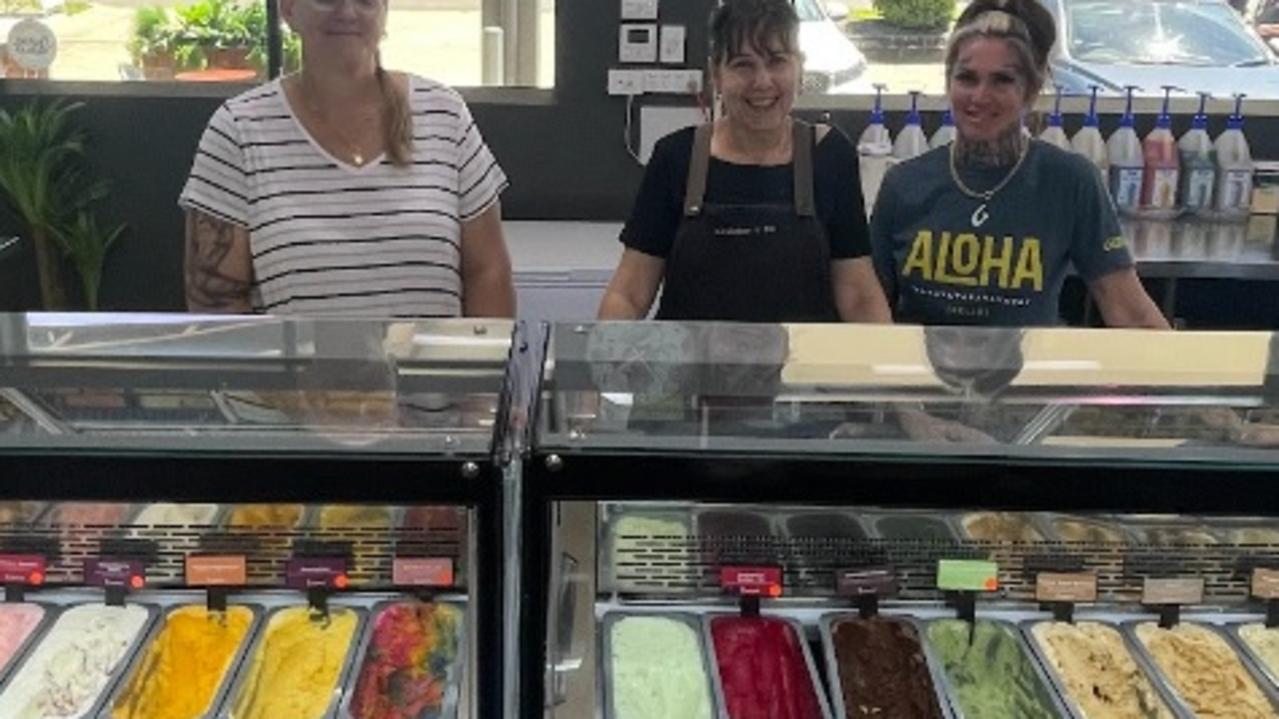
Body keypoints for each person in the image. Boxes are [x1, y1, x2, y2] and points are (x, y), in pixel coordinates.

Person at [179, 0, 515, 318]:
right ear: (289, 9)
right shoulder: (237, 131)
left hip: (431, 378)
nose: (347, 12)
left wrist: (484, 372)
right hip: (295, 380)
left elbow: (488, 272)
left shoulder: (445, 114)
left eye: (366, 0)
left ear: (384, 13)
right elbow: (216, 302)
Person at [870, 0, 1168, 330]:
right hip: (922, 378)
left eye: (1002, 80)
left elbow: (1128, 311)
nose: (980, 96)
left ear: (1031, 89)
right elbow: (867, 310)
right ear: (949, 83)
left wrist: (1182, 377)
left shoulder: (1070, 182)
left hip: (1027, 378)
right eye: (967, 78)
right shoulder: (903, 183)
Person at [597, 0, 891, 324]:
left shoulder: (831, 156)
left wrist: (884, 371)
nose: (762, 81)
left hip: (802, 370)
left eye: (777, 61)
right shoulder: (676, 157)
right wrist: (604, 362)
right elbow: (629, 293)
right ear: (716, 75)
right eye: (742, 65)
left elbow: (859, 296)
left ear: (799, 68)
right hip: (692, 371)